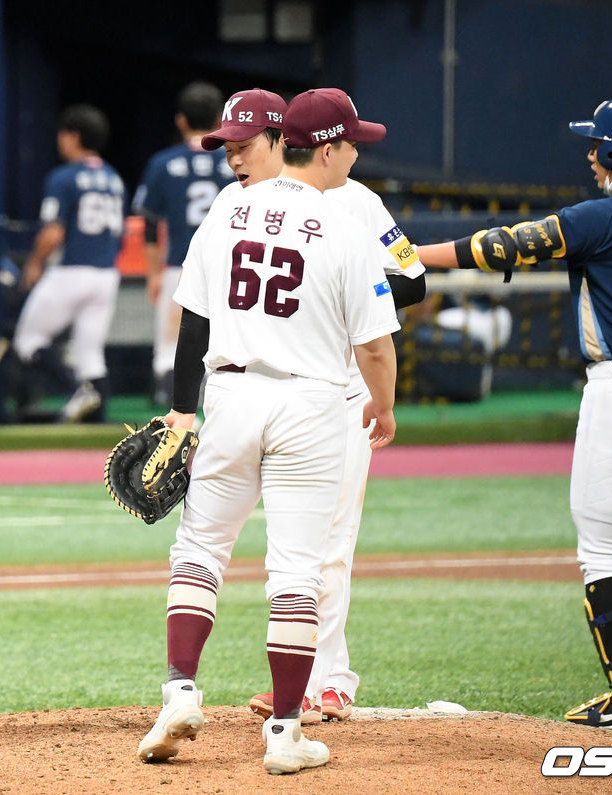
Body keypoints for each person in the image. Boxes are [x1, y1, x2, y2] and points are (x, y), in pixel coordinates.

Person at [415, 97, 612, 732]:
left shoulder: (601, 216)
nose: (589, 154)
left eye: (596, 144)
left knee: (603, 553)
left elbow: (504, 245)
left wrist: (414, 256)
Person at [137, 88, 400, 775]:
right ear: (328, 147)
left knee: (198, 547)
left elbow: (192, 317)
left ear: (284, 141)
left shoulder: (230, 206)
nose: (232, 160)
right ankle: (285, 733)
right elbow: (374, 343)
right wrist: (384, 404)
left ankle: (179, 691)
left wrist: (181, 407)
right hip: (312, 405)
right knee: (297, 570)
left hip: (230, 393)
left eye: (238, 147)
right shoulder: (345, 223)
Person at [197, 87, 426, 724]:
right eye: (230, 151)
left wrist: (353, 291)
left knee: (326, 542)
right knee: (285, 544)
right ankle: (305, 673)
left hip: (341, 387)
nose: (236, 161)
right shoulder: (239, 204)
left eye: (244, 148)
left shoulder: (360, 204)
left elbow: (411, 277)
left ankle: (328, 679)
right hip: (261, 389)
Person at [12, 104, 126, 423]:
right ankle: (97, 432)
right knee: (91, 355)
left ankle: (75, 389)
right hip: (106, 273)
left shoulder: (64, 177)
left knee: (28, 342)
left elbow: (52, 233)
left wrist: (34, 264)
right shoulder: (114, 178)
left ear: (73, 136)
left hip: (72, 270)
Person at [132, 81, 234, 405]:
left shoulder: (163, 163)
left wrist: (152, 274)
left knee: (168, 347)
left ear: (181, 120)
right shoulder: (236, 159)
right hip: (231, 266)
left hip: (179, 265)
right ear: (220, 119)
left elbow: (149, 225)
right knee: (227, 342)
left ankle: (168, 425)